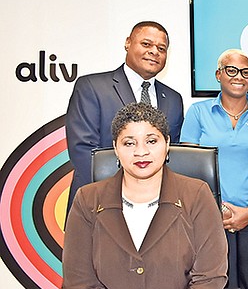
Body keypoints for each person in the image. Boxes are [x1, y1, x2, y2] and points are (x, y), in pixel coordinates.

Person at [62, 103, 227, 289]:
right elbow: (80, 284)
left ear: (167, 144)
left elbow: (210, 278)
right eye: (129, 143)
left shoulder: (196, 195)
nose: (141, 152)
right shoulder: (88, 200)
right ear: (115, 148)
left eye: (151, 141)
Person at [181, 49, 248, 289]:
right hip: (210, 219)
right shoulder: (198, 112)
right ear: (218, 74)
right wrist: (219, 209)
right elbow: (189, 170)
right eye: (231, 70)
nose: (239, 77)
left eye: (246, 72)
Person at [65, 21, 184, 210]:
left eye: (161, 48)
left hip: (156, 208)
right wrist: (130, 194)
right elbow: (83, 149)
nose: (154, 51)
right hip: (99, 204)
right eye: (146, 44)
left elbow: (171, 153)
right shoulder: (92, 87)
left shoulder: (173, 99)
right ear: (128, 43)